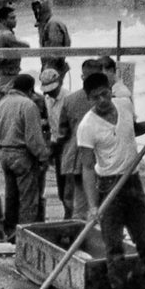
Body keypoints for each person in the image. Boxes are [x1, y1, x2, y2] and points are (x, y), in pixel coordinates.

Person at [77, 71, 145, 289]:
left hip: (133, 182)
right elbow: (87, 168)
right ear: (89, 99)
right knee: (114, 247)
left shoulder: (124, 104)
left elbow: (133, 130)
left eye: (104, 93)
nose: (102, 100)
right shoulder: (87, 127)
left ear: (111, 90)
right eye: (95, 97)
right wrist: (92, 206)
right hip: (109, 187)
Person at [0, 72, 50, 240]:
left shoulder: (2, 103)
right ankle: (26, 237)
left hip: (5, 155)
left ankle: (10, 233)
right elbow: (33, 140)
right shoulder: (28, 105)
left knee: (11, 197)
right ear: (30, 89)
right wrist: (43, 157)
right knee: (28, 200)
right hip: (22, 156)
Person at [57, 57, 104, 219]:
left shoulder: (70, 99)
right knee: (104, 203)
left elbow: (62, 132)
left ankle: (79, 236)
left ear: (82, 77)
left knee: (80, 203)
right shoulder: (107, 99)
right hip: (102, 156)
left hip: (77, 156)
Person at [39, 65, 68, 214]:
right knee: (61, 185)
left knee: (68, 186)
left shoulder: (68, 98)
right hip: (56, 144)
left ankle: (70, 215)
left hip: (66, 145)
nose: (49, 93)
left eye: (52, 89)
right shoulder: (47, 99)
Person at [0, 0, 29, 97]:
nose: (15, 20)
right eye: (11, 18)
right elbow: (26, 46)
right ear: (3, 21)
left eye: (15, 17)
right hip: (8, 80)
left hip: (4, 78)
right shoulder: (6, 35)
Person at [32, 0, 71, 78]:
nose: (36, 10)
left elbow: (54, 54)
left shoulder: (53, 25)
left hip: (53, 70)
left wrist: (47, 73)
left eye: (39, 6)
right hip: (49, 67)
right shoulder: (45, 24)